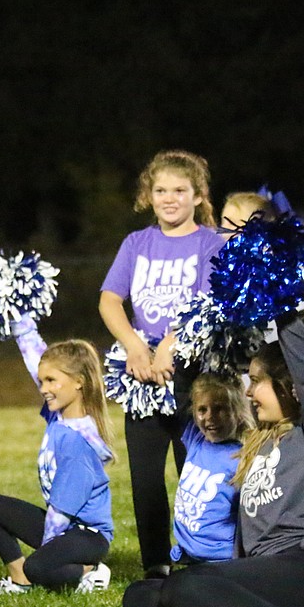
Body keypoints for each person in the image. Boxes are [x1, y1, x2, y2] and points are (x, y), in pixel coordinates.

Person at [122, 313, 304, 607]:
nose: (250, 393)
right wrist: (188, 334)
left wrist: (284, 312)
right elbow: (190, 395)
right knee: (140, 594)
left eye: (257, 382)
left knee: (184, 585)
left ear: (289, 387)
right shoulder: (258, 438)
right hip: (264, 572)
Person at [99, 149, 225, 578]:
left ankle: (200, 556)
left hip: (194, 373)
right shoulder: (136, 243)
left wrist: (171, 345)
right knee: (146, 479)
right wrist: (135, 346)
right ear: (147, 196)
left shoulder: (212, 242)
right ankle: (155, 564)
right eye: (160, 190)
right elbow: (110, 300)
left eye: (179, 190)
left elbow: (209, 301)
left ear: (198, 195)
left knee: (196, 471)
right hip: (142, 376)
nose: (169, 199)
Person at [0, 324, 113, 593]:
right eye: (42, 381)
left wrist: (49, 552)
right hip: (61, 526)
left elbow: (62, 511)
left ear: (78, 382)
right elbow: (34, 356)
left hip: (87, 535)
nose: (43, 388)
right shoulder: (57, 416)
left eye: (51, 381)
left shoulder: (77, 441)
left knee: (38, 567)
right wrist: (19, 320)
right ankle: (19, 579)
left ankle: (91, 570)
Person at [169, 373, 252, 565]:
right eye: (202, 410)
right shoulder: (196, 438)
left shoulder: (242, 459)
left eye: (219, 409)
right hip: (185, 555)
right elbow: (181, 388)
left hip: (218, 560)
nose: (210, 418)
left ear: (238, 412)